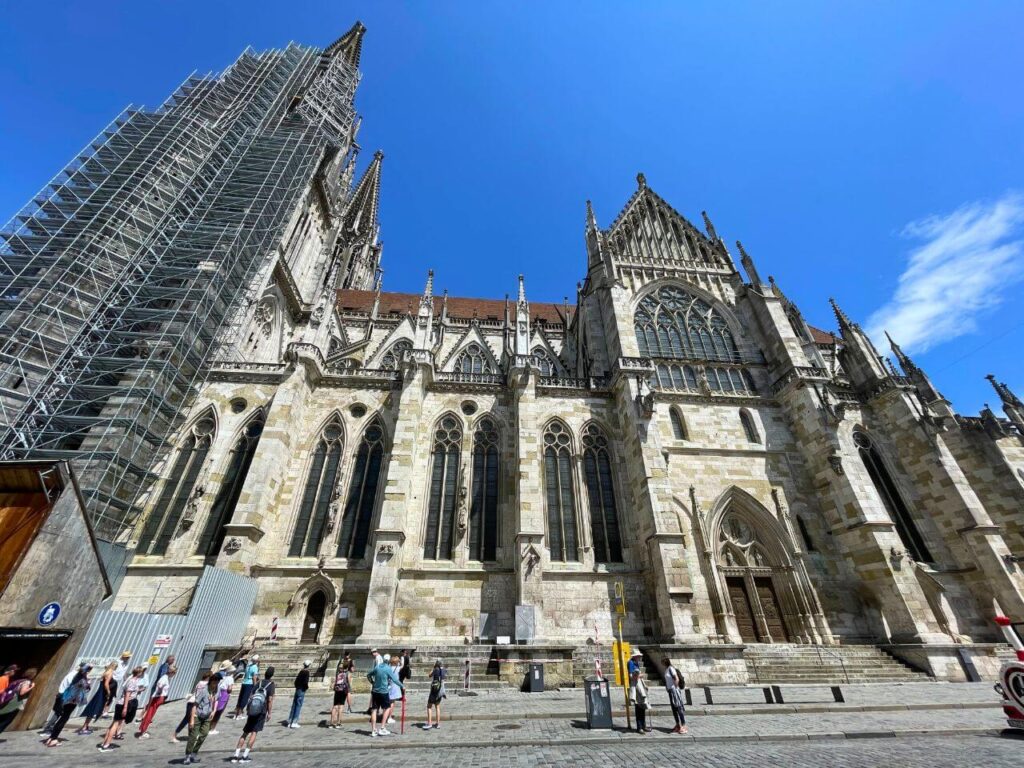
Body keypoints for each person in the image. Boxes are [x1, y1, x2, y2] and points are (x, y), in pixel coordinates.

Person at [231, 666, 274, 763]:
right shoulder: (271, 685)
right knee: (254, 732)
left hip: (252, 710)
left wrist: (249, 707)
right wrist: (269, 713)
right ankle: (245, 756)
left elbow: (251, 695)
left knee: (245, 732)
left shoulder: (259, 683)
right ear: (272, 675)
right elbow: (270, 700)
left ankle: (235, 755)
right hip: (261, 711)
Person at [98, 665, 144, 751]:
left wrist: (139, 690)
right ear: (139, 673)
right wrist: (125, 708)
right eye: (141, 672)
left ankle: (104, 743)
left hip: (120, 704)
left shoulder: (129, 680)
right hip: (123, 704)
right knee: (115, 725)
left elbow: (131, 692)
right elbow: (127, 695)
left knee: (113, 724)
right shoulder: (132, 681)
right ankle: (106, 745)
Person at [41, 663, 91, 735]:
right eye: (86, 671)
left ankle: (49, 728)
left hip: (62, 694)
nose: (87, 672)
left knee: (58, 713)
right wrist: (87, 683)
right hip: (66, 696)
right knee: (61, 714)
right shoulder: (77, 676)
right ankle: (49, 729)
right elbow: (80, 687)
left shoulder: (73, 674)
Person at [44, 674, 91, 747]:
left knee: (60, 718)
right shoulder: (81, 678)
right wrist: (88, 681)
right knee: (63, 719)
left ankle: (51, 738)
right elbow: (87, 688)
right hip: (72, 700)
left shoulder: (73, 675)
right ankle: (54, 739)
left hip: (65, 698)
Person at [184, 673, 217, 765]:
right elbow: (195, 705)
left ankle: (193, 754)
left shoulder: (214, 690)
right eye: (214, 682)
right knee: (193, 736)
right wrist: (191, 720)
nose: (215, 684)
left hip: (207, 717)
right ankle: (187, 756)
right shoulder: (204, 691)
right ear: (210, 682)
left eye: (217, 683)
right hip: (198, 716)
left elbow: (214, 700)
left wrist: (213, 711)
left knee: (204, 734)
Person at [367, 654, 402, 737]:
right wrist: (402, 686)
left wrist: (372, 682)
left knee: (374, 710)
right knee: (387, 708)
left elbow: (369, 675)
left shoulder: (377, 667)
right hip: (384, 692)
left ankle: (373, 730)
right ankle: (382, 728)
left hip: (375, 691)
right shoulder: (388, 668)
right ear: (389, 660)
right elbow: (395, 680)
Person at [78, 661, 117, 735]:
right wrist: (108, 692)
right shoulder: (110, 672)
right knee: (94, 708)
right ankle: (84, 727)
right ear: (114, 667)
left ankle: (85, 726)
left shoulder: (106, 672)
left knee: (93, 708)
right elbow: (106, 684)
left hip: (100, 692)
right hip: (102, 693)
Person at [137, 665, 175, 737]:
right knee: (149, 714)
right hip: (157, 698)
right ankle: (143, 731)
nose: (174, 675)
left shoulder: (166, 678)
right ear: (171, 672)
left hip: (158, 697)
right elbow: (160, 686)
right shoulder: (164, 678)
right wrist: (160, 694)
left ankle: (143, 729)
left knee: (150, 714)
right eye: (174, 673)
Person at [173, 672, 211, 743]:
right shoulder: (205, 684)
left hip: (191, 702)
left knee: (190, 719)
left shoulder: (200, 682)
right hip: (193, 702)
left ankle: (190, 736)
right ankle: (174, 735)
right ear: (208, 678)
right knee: (187, 719)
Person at [0, 668, 37, 734]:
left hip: (9, 702)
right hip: (15, 704)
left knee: (3, 719)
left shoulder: (19, 680)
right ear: (32, 675)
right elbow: (22, 692)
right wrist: (32, 687)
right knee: (6, 721)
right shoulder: (27, 682)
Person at [661, 657, 687, 734]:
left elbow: (676, 678)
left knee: (678, 708)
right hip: (670, 691)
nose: (661, 664)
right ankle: (677, 725)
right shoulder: (666, 669)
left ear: (665, 662)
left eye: (662, 662)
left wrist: (675, 688)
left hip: (674, 691)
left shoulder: (671, 669)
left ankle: (684, 725)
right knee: (674, 709)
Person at [209, 660, 235, 734]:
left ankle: (209, 726)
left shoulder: (220, 675)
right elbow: (229, 689)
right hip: (224, 694)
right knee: (219, 712)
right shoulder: (230, 678)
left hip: (218, 692)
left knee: (214, 709)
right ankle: (212, 728)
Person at [104, 651, 132, 718]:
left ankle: (105, 712)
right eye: (127, 657)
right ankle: (103, 712)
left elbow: (124, 672)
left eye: (129, 657)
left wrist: (126, 681)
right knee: (108, 696)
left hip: (117, 681)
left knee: (112, 697)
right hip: (112, 679)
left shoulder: (126, 663)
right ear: (124, 657)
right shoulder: (116, 661)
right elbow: (107, 667)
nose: (128, 658)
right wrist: (109, 676)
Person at [628, 649, 649, 734]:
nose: (639, 657)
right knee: (638, 707)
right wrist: (640, 675)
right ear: (635, 656)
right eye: (638, 656)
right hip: (636, 686)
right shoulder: (631, 663)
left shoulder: (636, 663)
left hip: (640, 685)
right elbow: (631, 676)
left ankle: (643, 725)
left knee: (643, 706)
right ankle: (639, 727)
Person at [232, 654, 260, 719]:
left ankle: (236, 713)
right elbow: (254, 677)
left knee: (240, 698)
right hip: (249, 683)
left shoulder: (248, 666)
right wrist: (255, 686)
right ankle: (239, 714)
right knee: (245, 699)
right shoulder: (255, 667)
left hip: (244, 682)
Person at [287, 660, 310, 729]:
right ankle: (294, 722)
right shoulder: (307, 672)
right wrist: (306, 688)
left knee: (294, 705)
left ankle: (290, 721)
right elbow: (305, 682)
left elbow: (296, 681)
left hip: (297, 689)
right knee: (298, 706)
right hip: (302, 690)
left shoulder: (301, 671)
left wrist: (297, 686)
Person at [423, 659, 446, 730]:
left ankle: (429, 723)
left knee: (429, 706)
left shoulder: (435, 669)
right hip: (440, 690)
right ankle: (438, 723)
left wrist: (433, 668)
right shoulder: (443, 670)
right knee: (437, 706)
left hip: (434, 690)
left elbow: (429, 675)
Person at [330, 662, 350, 727]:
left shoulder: (337, 673)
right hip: (343, 691)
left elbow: (335, 682)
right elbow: (348, 683)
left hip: (337, 690)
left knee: (335, 706)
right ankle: (338, 723)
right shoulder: (346, 674)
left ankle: (331, 723)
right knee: (341, 706)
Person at [386, 656, 403, 730]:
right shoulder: (397, 668)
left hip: (389, 685)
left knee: (388, 701)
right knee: (392, 702)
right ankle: (389, 717)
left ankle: (386, 715)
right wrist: (401, 661)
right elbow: (402, 665)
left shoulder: (388, 668)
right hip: (395, 685)